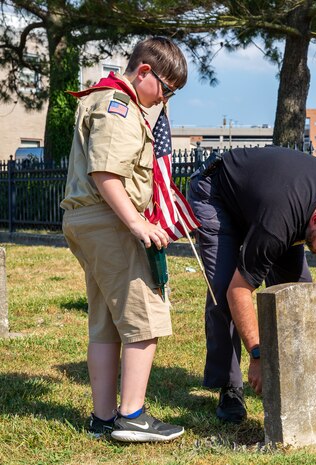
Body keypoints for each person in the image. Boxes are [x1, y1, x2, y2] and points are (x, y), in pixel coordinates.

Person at [60, 37, 187, 442]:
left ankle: (102, 418)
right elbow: (106, 173)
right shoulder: (119, 106)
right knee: (143, 320)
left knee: (106, 324)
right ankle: (132, 415)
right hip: (110, 221)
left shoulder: (104, 99)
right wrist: (137, 224)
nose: (165, 101)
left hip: (88, 219)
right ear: (145, 72)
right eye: (166, 90)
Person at [188, 146, 316, 423]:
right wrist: (258, 354)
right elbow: (239, 290)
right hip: (216, 194)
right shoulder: (277, 223)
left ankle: (295, 374)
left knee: (297, 291)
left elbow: (310, 241)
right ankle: (230, 387)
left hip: (271, 202)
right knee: (224, 289)